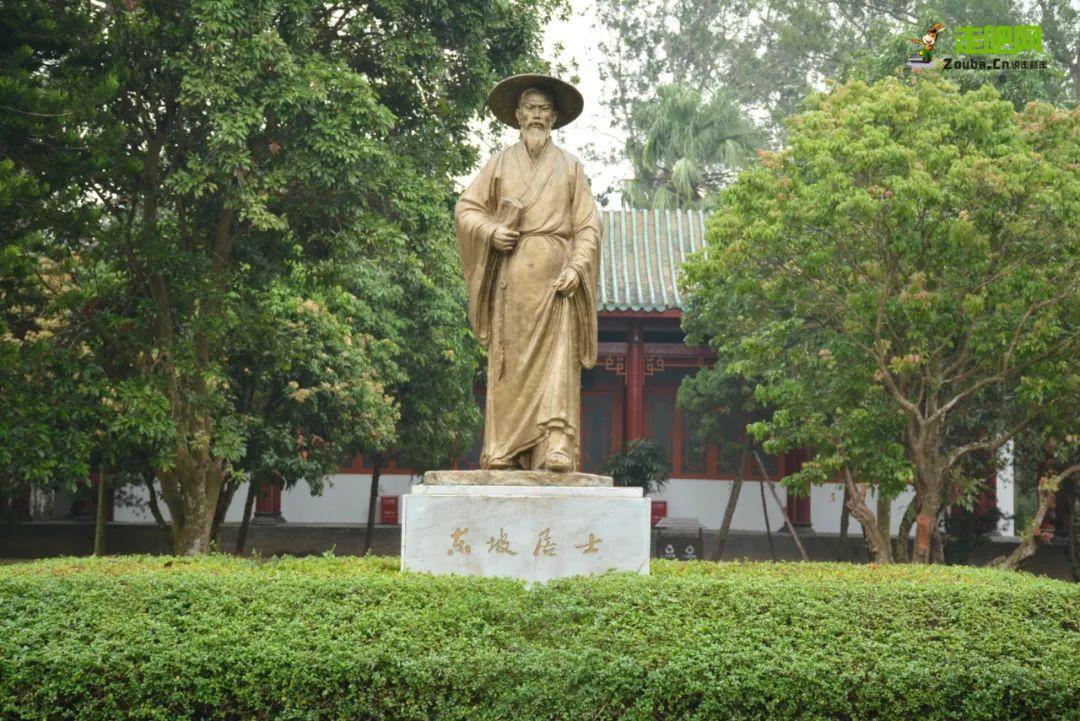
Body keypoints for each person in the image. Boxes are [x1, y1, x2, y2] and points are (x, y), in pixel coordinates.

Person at [454, 74, 600, 472]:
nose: (536, 116)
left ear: (554, 117)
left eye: (543, 109)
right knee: (510, 366)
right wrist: (491, 231)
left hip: (556, 285)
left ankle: (555, 444)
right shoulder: (500, 164)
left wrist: (577, 267)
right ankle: (503, 446)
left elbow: (588, 227)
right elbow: (466, 210)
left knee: (557, 364)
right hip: (512, 282)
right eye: (529, 109)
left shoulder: (570, 167)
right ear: (518, 115)